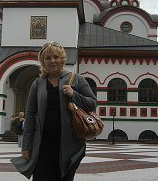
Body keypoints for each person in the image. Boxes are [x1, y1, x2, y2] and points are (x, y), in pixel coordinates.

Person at [11, 42, 97, 181]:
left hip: (70, 145)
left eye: (56, 57)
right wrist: (26, 146)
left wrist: (73, 94)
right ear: (43, 61)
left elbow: (92, 104)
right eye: (48, 58)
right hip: (43, 146)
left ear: (63, 59)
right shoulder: (37, 84)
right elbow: (31, 114)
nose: (52, 60)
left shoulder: (76, 79)